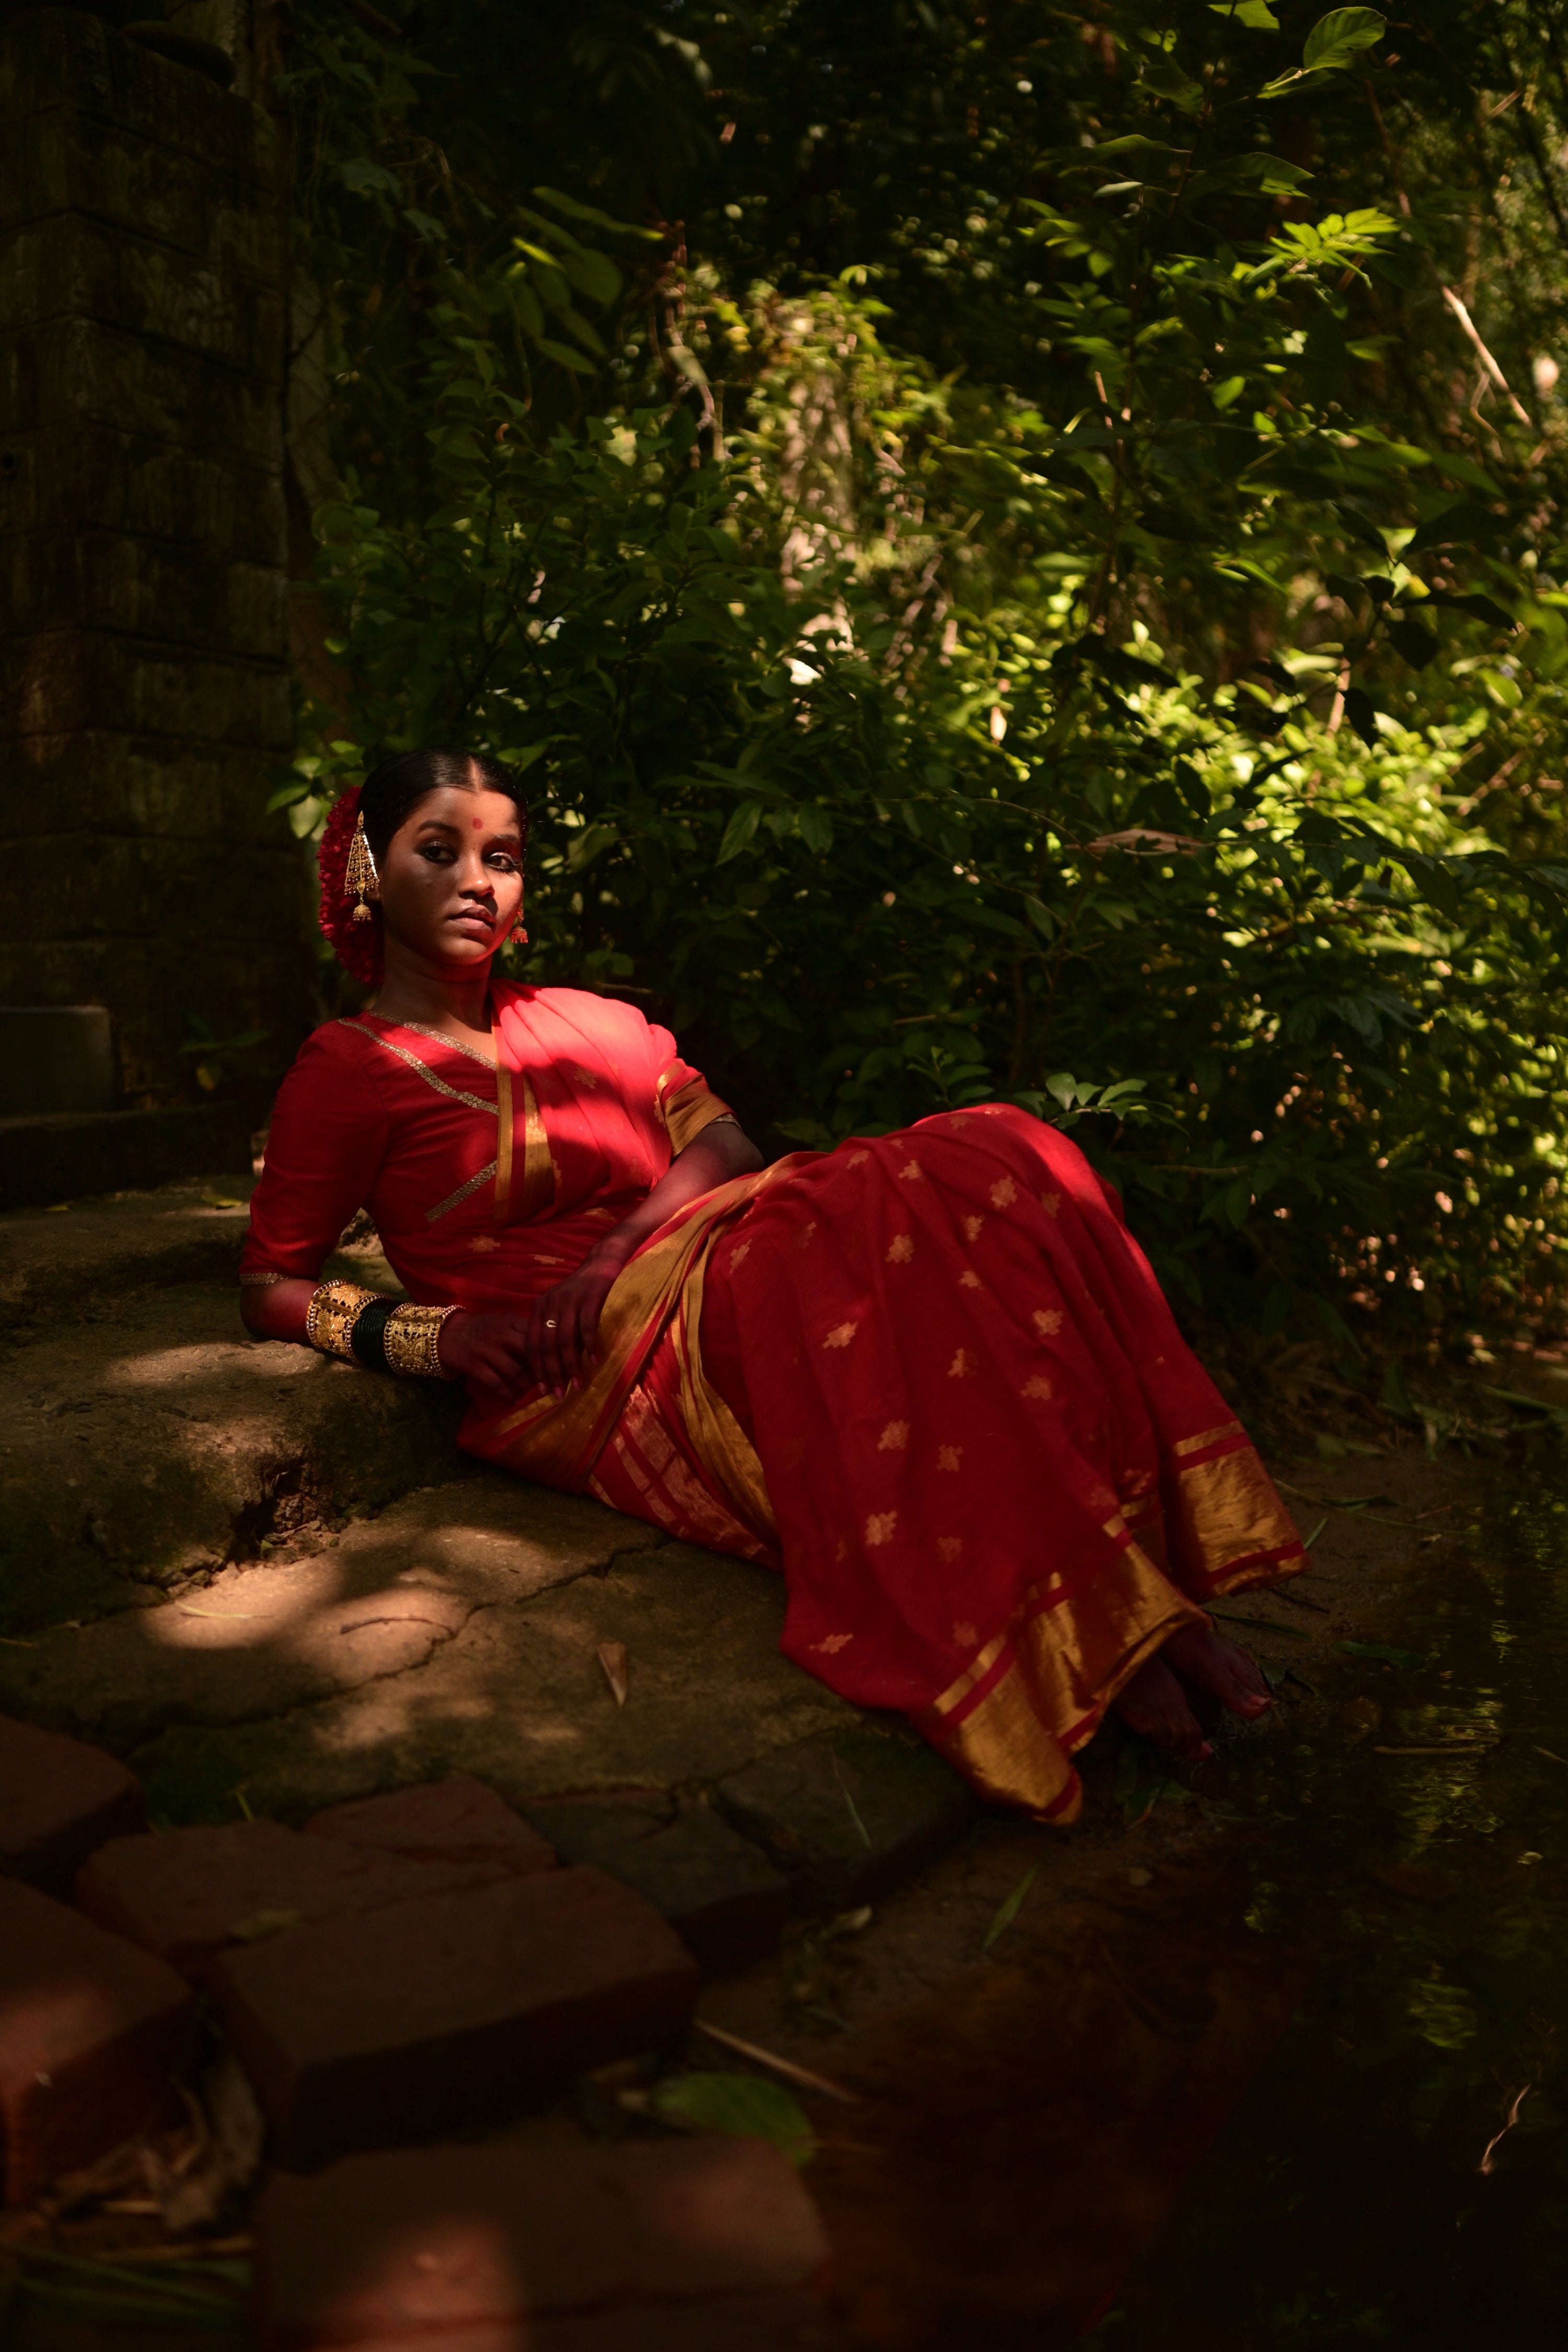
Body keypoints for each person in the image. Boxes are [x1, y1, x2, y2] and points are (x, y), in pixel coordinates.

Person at [240, 748, 1302, 1821]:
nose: (480, 880)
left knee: (994, 1152)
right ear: (371, 868)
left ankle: (1118, 1604)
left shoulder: (591, 1021)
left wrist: (613, 1260)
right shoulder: (351, 1070)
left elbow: (728, 1144)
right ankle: (1094, 1633)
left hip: (699, 1259)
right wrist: (436, 1337)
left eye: (503, 857)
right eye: (442, 850)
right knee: (876, 1226)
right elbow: (273, 1283)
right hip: (590, 1367)